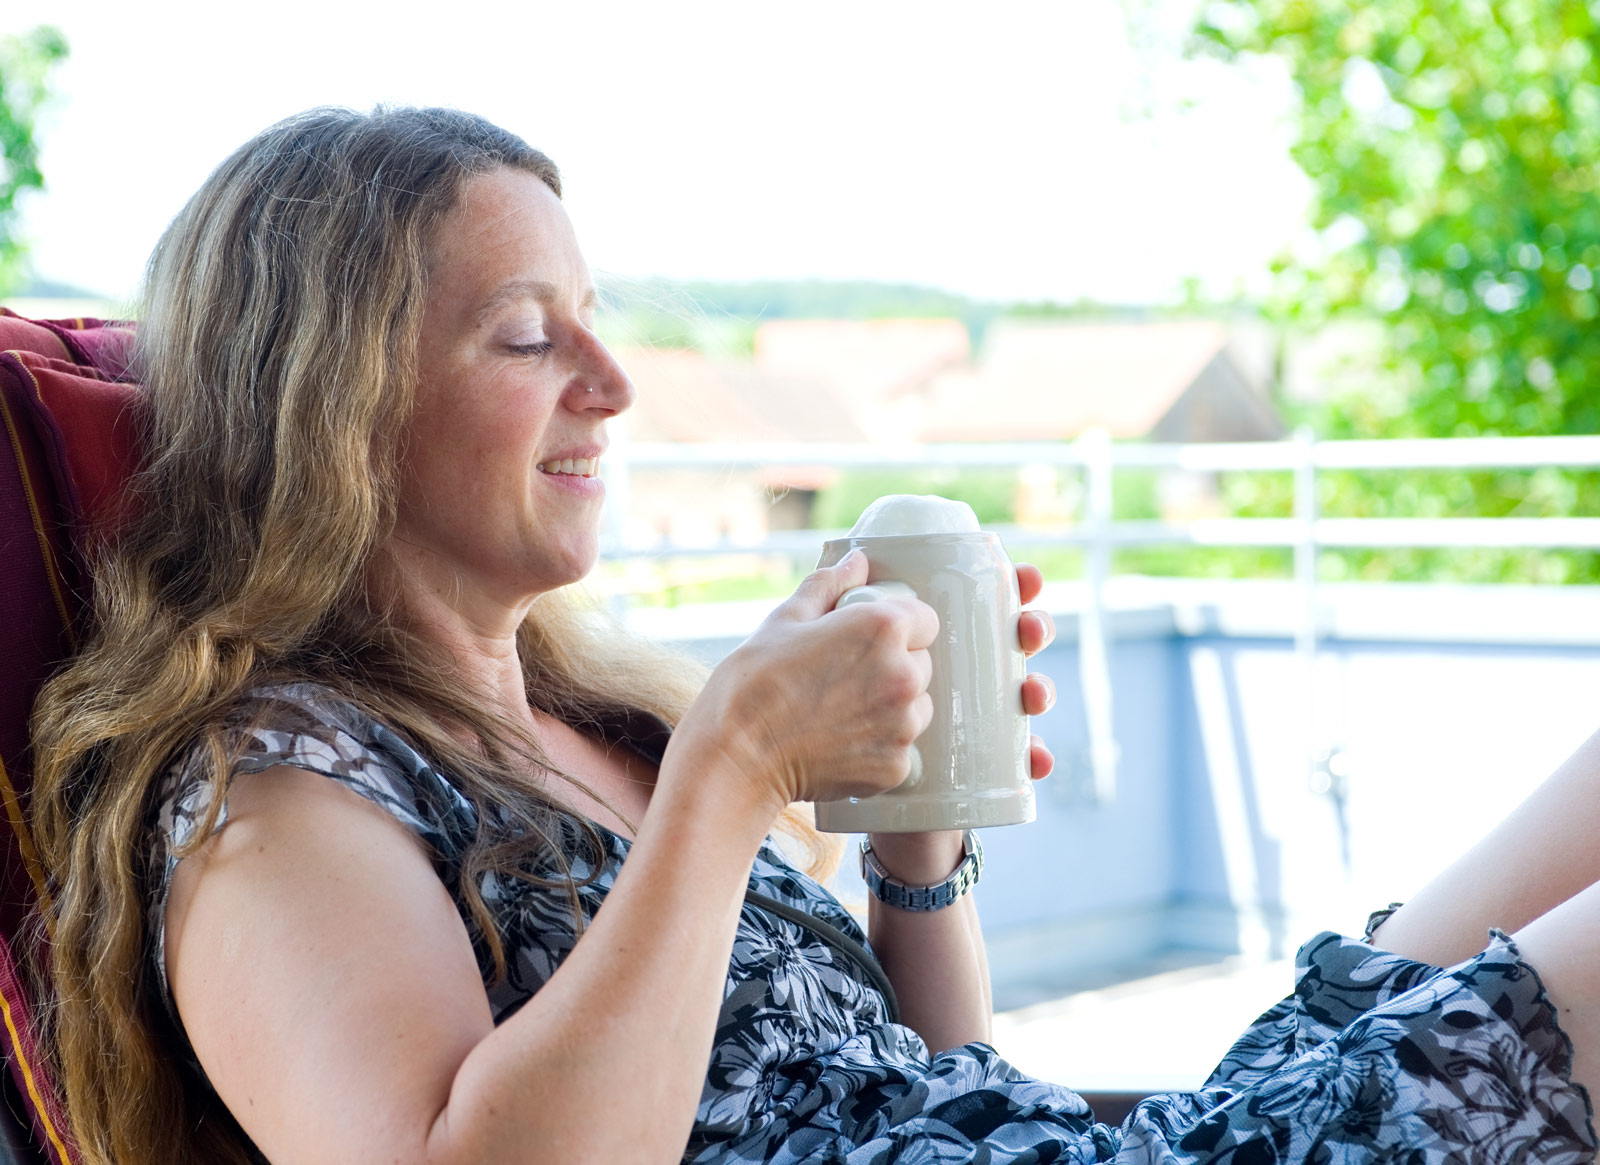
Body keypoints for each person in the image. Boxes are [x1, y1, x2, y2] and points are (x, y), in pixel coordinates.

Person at [26, 105, 1598, 1165]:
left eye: (595, 316)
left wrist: (913, 849)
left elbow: (918, 1084)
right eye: (526, 334)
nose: (614, 382)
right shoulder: (270, 797)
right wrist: (732, 769)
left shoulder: (582, 714)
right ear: (333, 410)